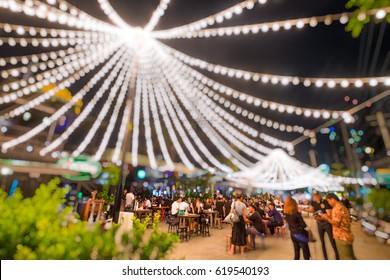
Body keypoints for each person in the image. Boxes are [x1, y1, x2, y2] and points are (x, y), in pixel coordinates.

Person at [319, 193, 357, 260]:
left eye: (328, 201)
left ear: (333, 199)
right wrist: (327, 216)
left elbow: (336, 223)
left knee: (346, 258)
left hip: (342, 237)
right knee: (350, 257)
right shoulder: (341, 206)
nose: (328, 203)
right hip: (345, 235)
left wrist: (326, 218)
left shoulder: (337, 208)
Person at [305, 193, 339, 260]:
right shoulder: (313, 203)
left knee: (332, 242)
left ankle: (337, 258)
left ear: (319, 195)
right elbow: (311, 210)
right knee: (322, 242)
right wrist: (303, 209)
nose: (315, 197)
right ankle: (325, 258)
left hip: (327, 224)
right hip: (320, 224)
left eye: (316, 195)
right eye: (314, 196)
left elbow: (329, 214)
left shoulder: (325, 202)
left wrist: (321, 217)